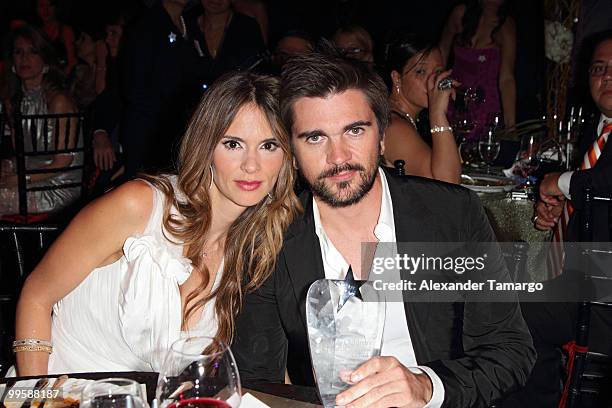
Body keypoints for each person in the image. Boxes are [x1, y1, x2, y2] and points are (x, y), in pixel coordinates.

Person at [232, 49, 535, 407]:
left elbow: (510, 351)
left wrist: (427, 387)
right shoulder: (271, 237)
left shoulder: (452, 215)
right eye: (315, 138)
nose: (338, 157)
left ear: (382, 137)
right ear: (292, 153)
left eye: (354, 131)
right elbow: (258, 380)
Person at [13, 71, 301, 376]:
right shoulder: (140, 206)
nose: (251, 164)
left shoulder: (252, 249)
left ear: (288, 157)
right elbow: (36, 296)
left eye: (269, 146)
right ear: (206, 146)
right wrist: (38, 394)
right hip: (63, 393)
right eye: (233, 144)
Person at [508, 29, 612, 408]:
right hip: (581, 279)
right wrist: (560, 208)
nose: (607, 77)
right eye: (599, 68)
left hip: (602, 295)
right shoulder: (596, 129)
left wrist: (562, 182)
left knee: (513, 308)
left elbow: (603, 184)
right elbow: (595, 196)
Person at [0, 25, 82, 216]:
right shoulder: (16, 101)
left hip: (59, 185)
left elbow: (64, 161)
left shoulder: (58, 100)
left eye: (32, 51)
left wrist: (22, 178)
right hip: (31, 178)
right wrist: (8, 165)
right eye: (18, 52)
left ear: (45, 59)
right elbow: (26, 156)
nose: (24, 58)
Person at [384, 36, 461, 183]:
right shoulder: (395, 126)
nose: (432, 81)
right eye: (421, 72)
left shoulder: (407, 119)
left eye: (437, 72)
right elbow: (447, 186)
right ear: (397, 78)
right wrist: (437, 114)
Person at [439, 0, 516, 137]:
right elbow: (441, 54)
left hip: (486, 107)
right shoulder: (460, 14)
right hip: (455, 100)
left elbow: (507, 78)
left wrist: (511, 127)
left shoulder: (506, 25)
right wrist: (439, 91)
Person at [35, 0, 76, 76]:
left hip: (64, 77)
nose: (46, 10)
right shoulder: (36, 34)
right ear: (37, 9)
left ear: (55, 8)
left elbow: (72, 62)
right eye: (41, 6)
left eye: (49, 5)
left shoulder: (65, 31)